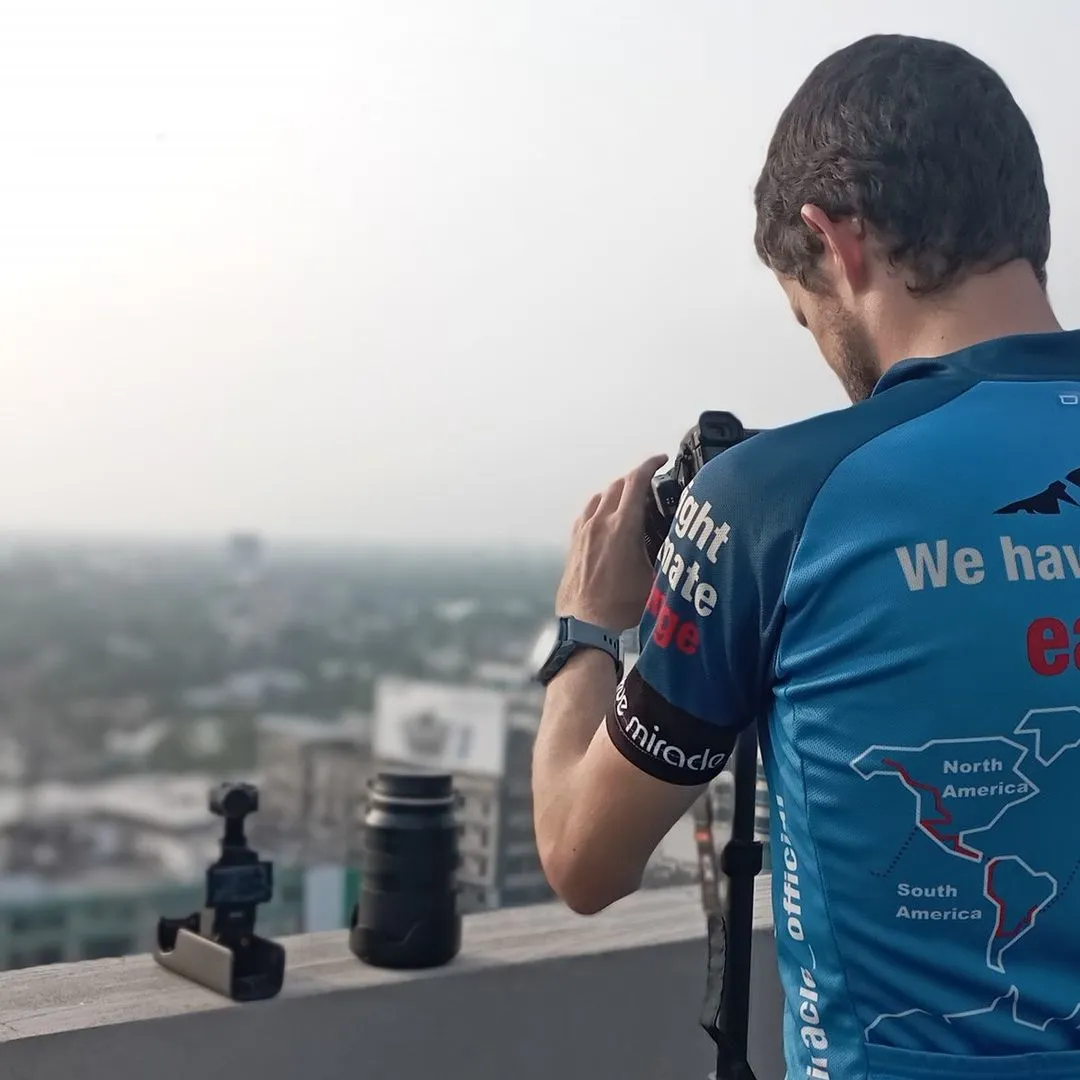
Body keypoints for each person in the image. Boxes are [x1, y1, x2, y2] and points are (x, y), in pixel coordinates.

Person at [531, 32, 1080, 1080]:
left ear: (836, 242)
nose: (826, 354)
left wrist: (587, 628)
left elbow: (579, 854)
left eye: (805, 314)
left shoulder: (773, 501)